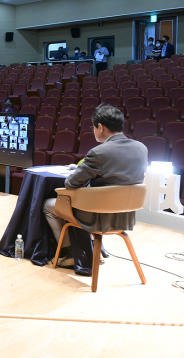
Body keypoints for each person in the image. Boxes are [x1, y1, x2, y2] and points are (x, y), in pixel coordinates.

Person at [41, 104, 148, 273]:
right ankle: (90, 250)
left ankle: (70, 254)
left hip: (97, 217)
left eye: (93, 127)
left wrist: (78, 172)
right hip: (125, 216)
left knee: (48, 204)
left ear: (100, 127)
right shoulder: (142, 148)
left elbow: (71, 183)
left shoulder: (99, 153)